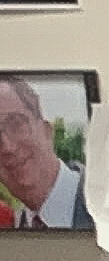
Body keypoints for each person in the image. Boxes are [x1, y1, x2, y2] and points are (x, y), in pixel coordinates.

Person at [0, 80, 78, 232]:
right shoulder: (14, 229)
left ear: (47, 131)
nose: (7, 147)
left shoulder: (108, 205)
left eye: (16, 125)